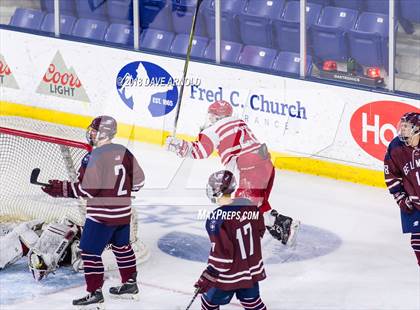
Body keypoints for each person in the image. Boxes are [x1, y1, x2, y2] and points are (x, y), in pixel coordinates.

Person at [42, 115, 145, 307]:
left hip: (101, 216)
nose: (91, 133)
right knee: (122, 247)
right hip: (123, 214)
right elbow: (139, 183)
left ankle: (94, 294)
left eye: (94, 130)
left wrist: (61, 189)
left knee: (89, 252)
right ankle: (130, 284)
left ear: (102, 133)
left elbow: (85, 190)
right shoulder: (125, 152)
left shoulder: (94, 157)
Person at [166, 100, 300, 245]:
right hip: (266, 165)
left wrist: (177, 145)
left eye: (211, 116)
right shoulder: (239, 122)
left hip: (251, 170)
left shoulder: (213, 130)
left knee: (242, 211)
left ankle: (244, 247)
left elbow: (200, 152)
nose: (209, 119)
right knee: (257, 205)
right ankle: (285, 226)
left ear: (217, 117)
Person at [195, 170, 267, 310]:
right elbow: (260, 231)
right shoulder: (249, 205)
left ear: (218, 191)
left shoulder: (217, 219)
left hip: (228, 276)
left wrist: (208, 276)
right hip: (249, 271)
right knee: (252, 303)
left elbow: (223, 258)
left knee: (209, 303)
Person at [384, 112, 420, 266]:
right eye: (402, 126)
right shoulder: (396, 147)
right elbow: (391, 174)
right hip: (415, 204)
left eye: (407, 126)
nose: (402, 129)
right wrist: (400, 197)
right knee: (417, 243)